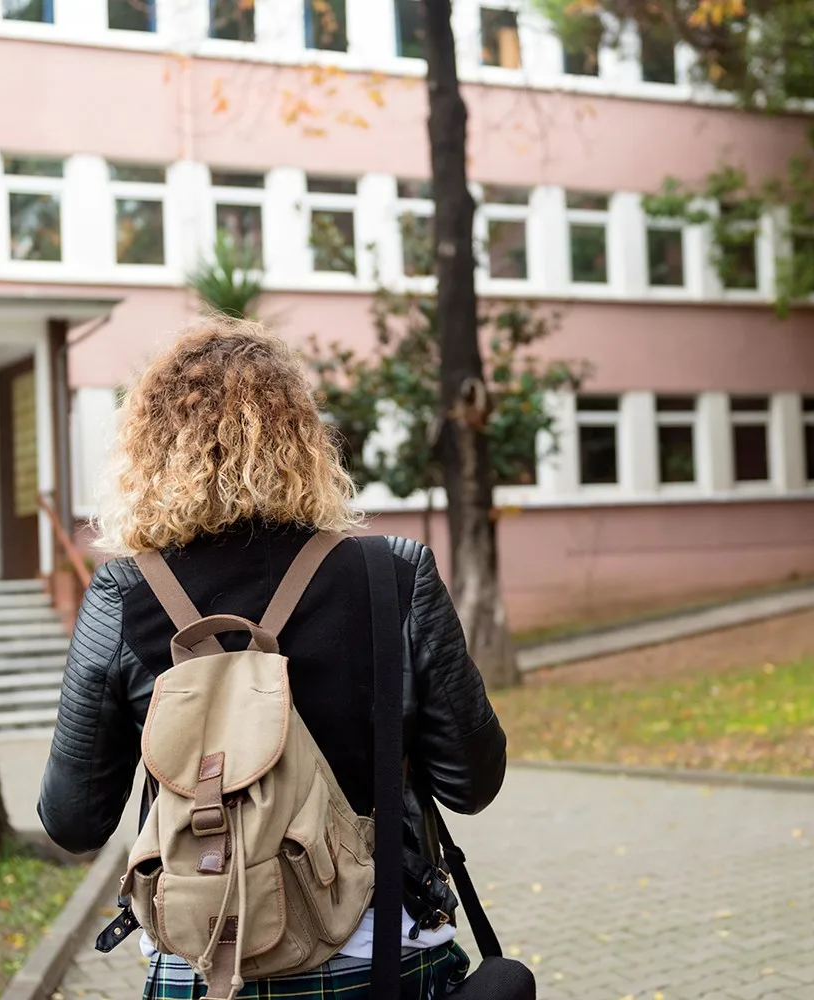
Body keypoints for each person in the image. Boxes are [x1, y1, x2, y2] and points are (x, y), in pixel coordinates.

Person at [37, 316, 509, 999]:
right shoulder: (393, 577)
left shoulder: (123, 596)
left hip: (202, 967)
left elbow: (73, 821)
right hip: (384, 959)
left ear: (149, 448)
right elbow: (473, 783)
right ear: (306, 441)